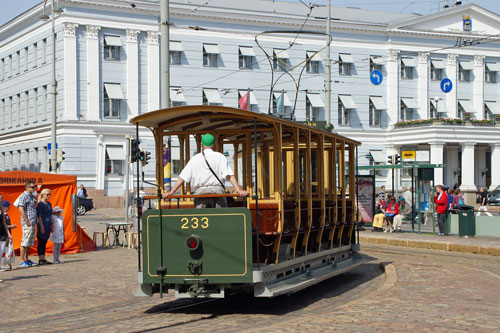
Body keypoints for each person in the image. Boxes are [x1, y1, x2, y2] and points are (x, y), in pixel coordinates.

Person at [163, 133, 248, 207]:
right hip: (218, 193)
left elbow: (182, 178)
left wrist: (172, 191)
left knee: (201, 219)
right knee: (221, 219)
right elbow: (229, 175)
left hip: (200, 193)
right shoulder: (220, 157)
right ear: (214, 144)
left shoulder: (195, 159)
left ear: (201, 144)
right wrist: (239, 190)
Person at [18, 182, 39, 267]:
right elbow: (21, 209)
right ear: (27, 187)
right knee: (25, 241)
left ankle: (26, 259)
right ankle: (22, 260)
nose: (34, 188)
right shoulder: (24, 196)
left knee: (29, 242)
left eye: (35, 187)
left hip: (33, 221)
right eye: (32, 187)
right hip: (28, 222)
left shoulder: (31, 196)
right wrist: (26, 220)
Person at [36, 189, 53, 265]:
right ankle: (40, 259)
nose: (49, 196)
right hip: (42, 224)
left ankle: (43, 258)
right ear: (43, 195)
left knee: (45, 241)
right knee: (41, 242)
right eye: (47, 194)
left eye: (49, 194)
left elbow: (51, 215)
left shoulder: (49, 204)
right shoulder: (40, 204)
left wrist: (52, 225)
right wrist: (42, 227)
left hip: (48, 224)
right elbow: (39, 216)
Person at [0, 195, 14, 277]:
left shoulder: (1, 208)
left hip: (2, 232)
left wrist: (9, 234)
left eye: (2, 197)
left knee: (0, 252)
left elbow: (4, 222)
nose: (1, 198)